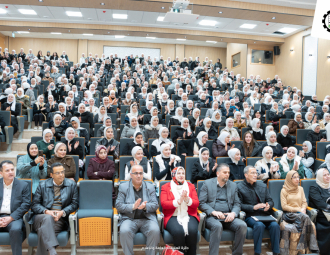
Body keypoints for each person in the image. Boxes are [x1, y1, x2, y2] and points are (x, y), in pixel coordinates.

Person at [30, 162, 78, 255]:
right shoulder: (42, 185)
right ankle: (52, 252)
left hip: (59, 219)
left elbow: (74, 204)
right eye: (58, 173)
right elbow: (35, 205)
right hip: (41, 217)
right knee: (47, 218)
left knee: (43, 231)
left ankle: (50, 251)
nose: (61, 175)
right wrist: (47, 212)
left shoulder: (72, 184)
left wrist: (62, 212)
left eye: (62, 172)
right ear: (51, 175)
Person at [198, 163, 247, 255]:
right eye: (225, 172)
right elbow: (201, 203)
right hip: (212, 217)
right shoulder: (207, 184)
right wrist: (213, 212)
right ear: (218, 173)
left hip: (228, 216)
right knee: (217, 226)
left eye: (228, 172)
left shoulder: (233, 185)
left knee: (242, 225)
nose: (227, 174)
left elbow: (237, 203)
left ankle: (237, 253)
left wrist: (233, 213)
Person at [115, 164, 160, 255]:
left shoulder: (150, 186)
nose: (139, 176)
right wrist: (133, 207)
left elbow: (155, 205)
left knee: (155, 230)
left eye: (141, 173)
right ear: (131, 175)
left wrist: (145, 206)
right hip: (129, 218)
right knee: (124, 231)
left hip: (147, 218)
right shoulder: (123, 187)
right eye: (136, 173)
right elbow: (118, 205)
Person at [237, 166, 280, 255]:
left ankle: (276, 252)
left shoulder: (262, 185)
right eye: (252, 173)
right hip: (250, 215)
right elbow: (239, 205)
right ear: (246, 175)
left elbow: (270, 200)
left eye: (256, 173)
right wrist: (253, 207)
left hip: (265, 214)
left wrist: (269, 205)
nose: (255, 175)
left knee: (275, 225)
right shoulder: (239, 187)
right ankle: (257, 252)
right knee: (259, 225)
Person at [160, 167, 200, 255]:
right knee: (178, 232)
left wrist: (187, 199)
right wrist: (178, 201)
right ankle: (180, 253)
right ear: (173, 174)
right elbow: (164, 204)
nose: (181, 175)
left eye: (183, 173)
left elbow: (196, 203)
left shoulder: (191, 186)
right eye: (178, 173)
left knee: (192, 231)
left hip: (189, 214)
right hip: (172, 215)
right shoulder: (165, 187)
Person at [280, 170, 319, 254]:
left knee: (306, 220)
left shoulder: (300, 189)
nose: (297, 179)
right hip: (289, 214)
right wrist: (298, 209)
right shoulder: (284, 190)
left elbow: (304, 202)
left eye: (298, 177)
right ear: (289, 179)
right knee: (306, 218)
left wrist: (304, 208)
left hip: (301, 214)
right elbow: (284, 206)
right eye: (295, 177)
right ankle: (312, 246)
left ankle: (301, 247)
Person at [0, 160, 31, 255]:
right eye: (7, 170)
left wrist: (11, 217)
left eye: (12, 170)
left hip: (14, 217)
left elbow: (26, 204)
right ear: (1, 173)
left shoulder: (23, 185)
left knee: (16, 229)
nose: (11, 172)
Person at [308, 169, 330, 255]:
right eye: (324, 175)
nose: (328, 176)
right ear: (320, 176)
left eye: (328, 174)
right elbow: (320, 203)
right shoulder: (314, 187)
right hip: (321, 215)